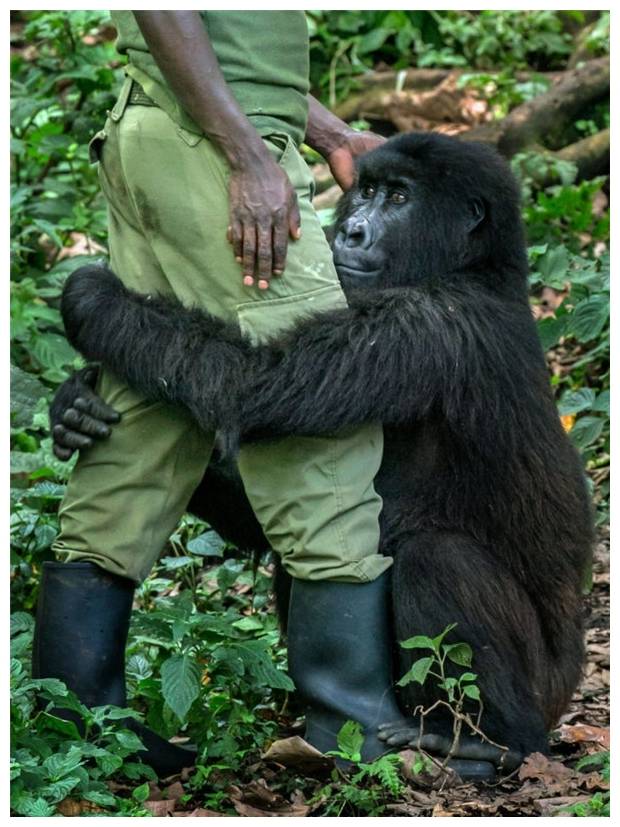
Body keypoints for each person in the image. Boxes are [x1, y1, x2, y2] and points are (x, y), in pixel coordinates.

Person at [33, 11, 407, 775]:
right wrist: (246, 154)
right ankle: (352, 730)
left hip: (156, 130)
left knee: (143, 414)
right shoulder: (233, 150)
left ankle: (80, 729)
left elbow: (235, 42)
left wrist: (330, 133)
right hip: (212, 147)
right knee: (322, 425)